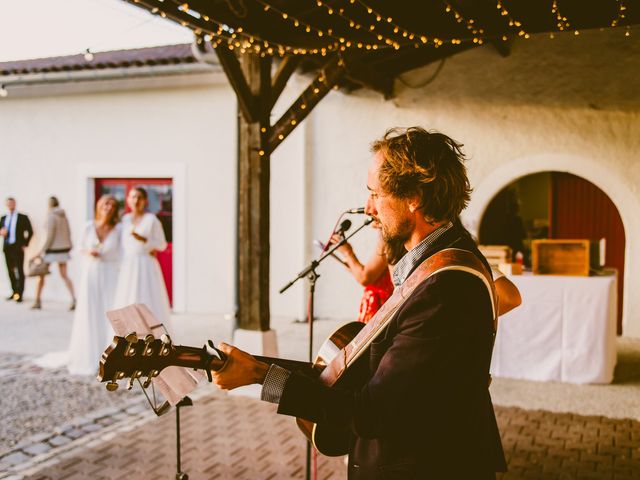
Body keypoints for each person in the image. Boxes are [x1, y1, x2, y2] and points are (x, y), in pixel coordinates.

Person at [212, 127, 507, 479]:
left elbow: (371, 412)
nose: (369, 209)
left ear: (414, 197)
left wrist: (261, 376)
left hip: (425, 464)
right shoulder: (446, 253)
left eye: (375, 194)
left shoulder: (444, 287)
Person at [67, 195, 121, 375]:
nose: (108, 207)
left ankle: (111, 354)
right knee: (91, 311)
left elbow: (123, 252)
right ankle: (90, 353)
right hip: (91, 273)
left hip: (111, 274)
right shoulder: (88, 227)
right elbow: (78, 248)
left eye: (112, 205)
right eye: (106, 203)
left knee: (109, 311)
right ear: (99, 206)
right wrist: (88, 252)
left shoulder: (118, 229)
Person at [113, 187, 171, 329]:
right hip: (128, 265)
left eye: (139, 197)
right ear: (128, 200)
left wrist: (145, 240)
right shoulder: (125, 220)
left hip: (145, 263)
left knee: (147, 298)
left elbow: (162, 245)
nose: (136, 200)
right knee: (127, 298)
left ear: (145, 201)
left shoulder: (152, 220)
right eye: (133, 197)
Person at [32, 196, 76, 310]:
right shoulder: (63, 216)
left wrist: (41, 251)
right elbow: (68, 232)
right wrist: (69, 245)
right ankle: (73, 299)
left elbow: (49, 235)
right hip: (63, 249)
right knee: (65, 275)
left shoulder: (51, 215)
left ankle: (37, 300)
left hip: (51, 250)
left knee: (41, 275)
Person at [1, 197, 33, 303]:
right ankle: (14, 292)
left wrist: (25, 244)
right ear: (7, 205)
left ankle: (20, 294)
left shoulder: (22, 217)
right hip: (7, 247)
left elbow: (30, 231)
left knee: (19, 270)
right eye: (9, 203)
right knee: (10, 270)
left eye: (12, 203)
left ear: (15, 204)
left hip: (18, 247)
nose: (11, 205)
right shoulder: (4, 218)